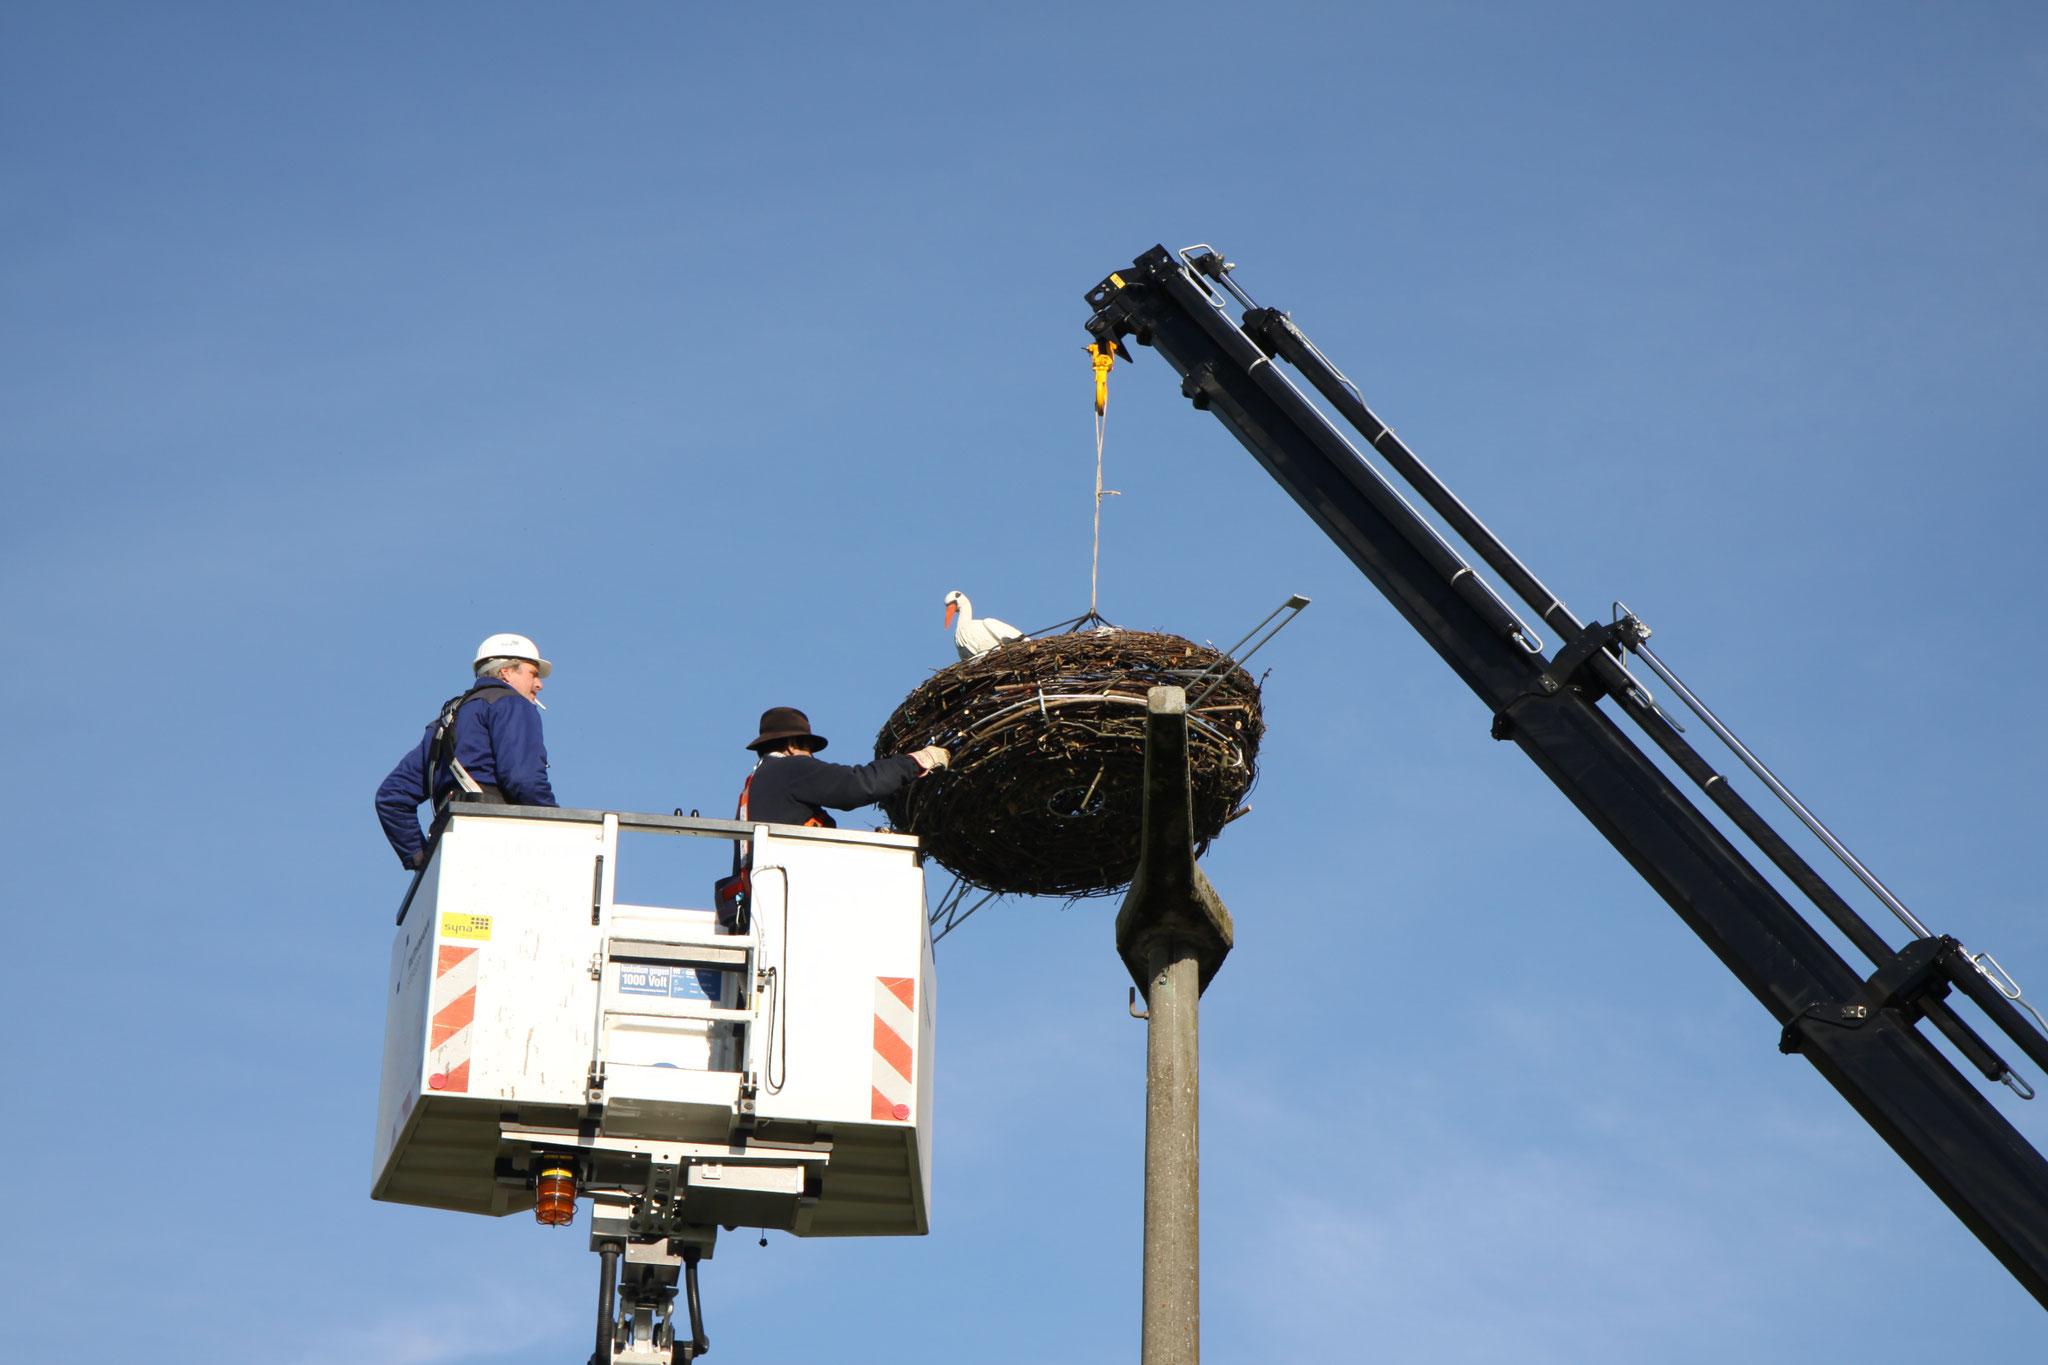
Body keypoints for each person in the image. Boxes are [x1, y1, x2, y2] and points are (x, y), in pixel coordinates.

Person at [375, 633, 559, 870]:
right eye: (532, 673)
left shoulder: (444, 724)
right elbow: (523, 780)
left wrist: (422, 860)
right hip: (499, 841)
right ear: (506, 672)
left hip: (450, 848)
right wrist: (558, 824)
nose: (539, 684)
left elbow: (392, 797)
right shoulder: (512, 704)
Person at [738, 706, 947, 828]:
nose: (811, 757)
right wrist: (916, 762)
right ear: (792, 745)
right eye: (809, 749)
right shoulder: (790, 769)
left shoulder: (755, 786)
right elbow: (855, 785)